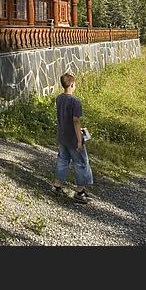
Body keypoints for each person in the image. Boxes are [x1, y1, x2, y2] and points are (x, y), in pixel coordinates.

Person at [52, 72, 94, 203]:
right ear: (71, 84)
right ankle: (80, 191)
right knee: (81, 163)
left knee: (62, 161)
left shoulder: (59, 98)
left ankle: (57, 186)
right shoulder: (75, 102)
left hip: (62, 135)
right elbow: (76, 120)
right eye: (74, 84)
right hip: (73, 138)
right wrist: (80, 140)